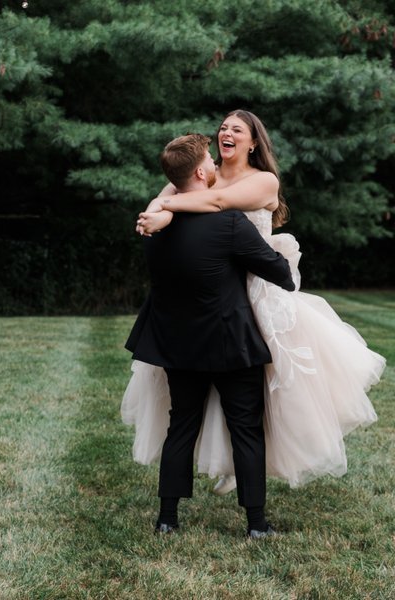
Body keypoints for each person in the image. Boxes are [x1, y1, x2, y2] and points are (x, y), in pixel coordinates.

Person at [122, 110, 386, 496]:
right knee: (203, 394)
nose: (226, 133)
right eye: (223, 127)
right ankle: (230, 467)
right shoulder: (202, 170)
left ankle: (252, 467)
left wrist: (165, 211)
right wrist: (155, 214)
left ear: (253, 143)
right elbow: (165, 195)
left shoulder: (262, 180)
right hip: (212, 294)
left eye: (237, 129)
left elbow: (212, 202)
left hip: (258, 289)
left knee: (266, 393)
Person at [125, 133, 296, 537]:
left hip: (177, 344)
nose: (217, 166)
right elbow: (279, 274)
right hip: (229, 343)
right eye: (211, 162)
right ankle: (256, 524)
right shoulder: (229, 222)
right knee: (246, 429)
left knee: (181, 424)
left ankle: (167, 519)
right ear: (202, 172)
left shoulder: (154, 227)